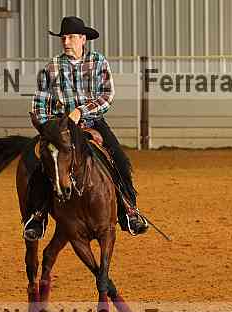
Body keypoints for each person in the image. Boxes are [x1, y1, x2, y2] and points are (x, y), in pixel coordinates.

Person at [23, 16, 149, 241]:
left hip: (92, 122)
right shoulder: (52, 67)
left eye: (70, 37)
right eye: (63, 38)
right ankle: (38, 214)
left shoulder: (98, 62)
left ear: (83, 39)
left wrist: (81, 111)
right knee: (42, 164)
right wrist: (48, 125)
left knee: (119, 160)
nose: (66, 42)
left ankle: (129, 210)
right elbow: (39, 102)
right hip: (60, 126)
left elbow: (107, 95)